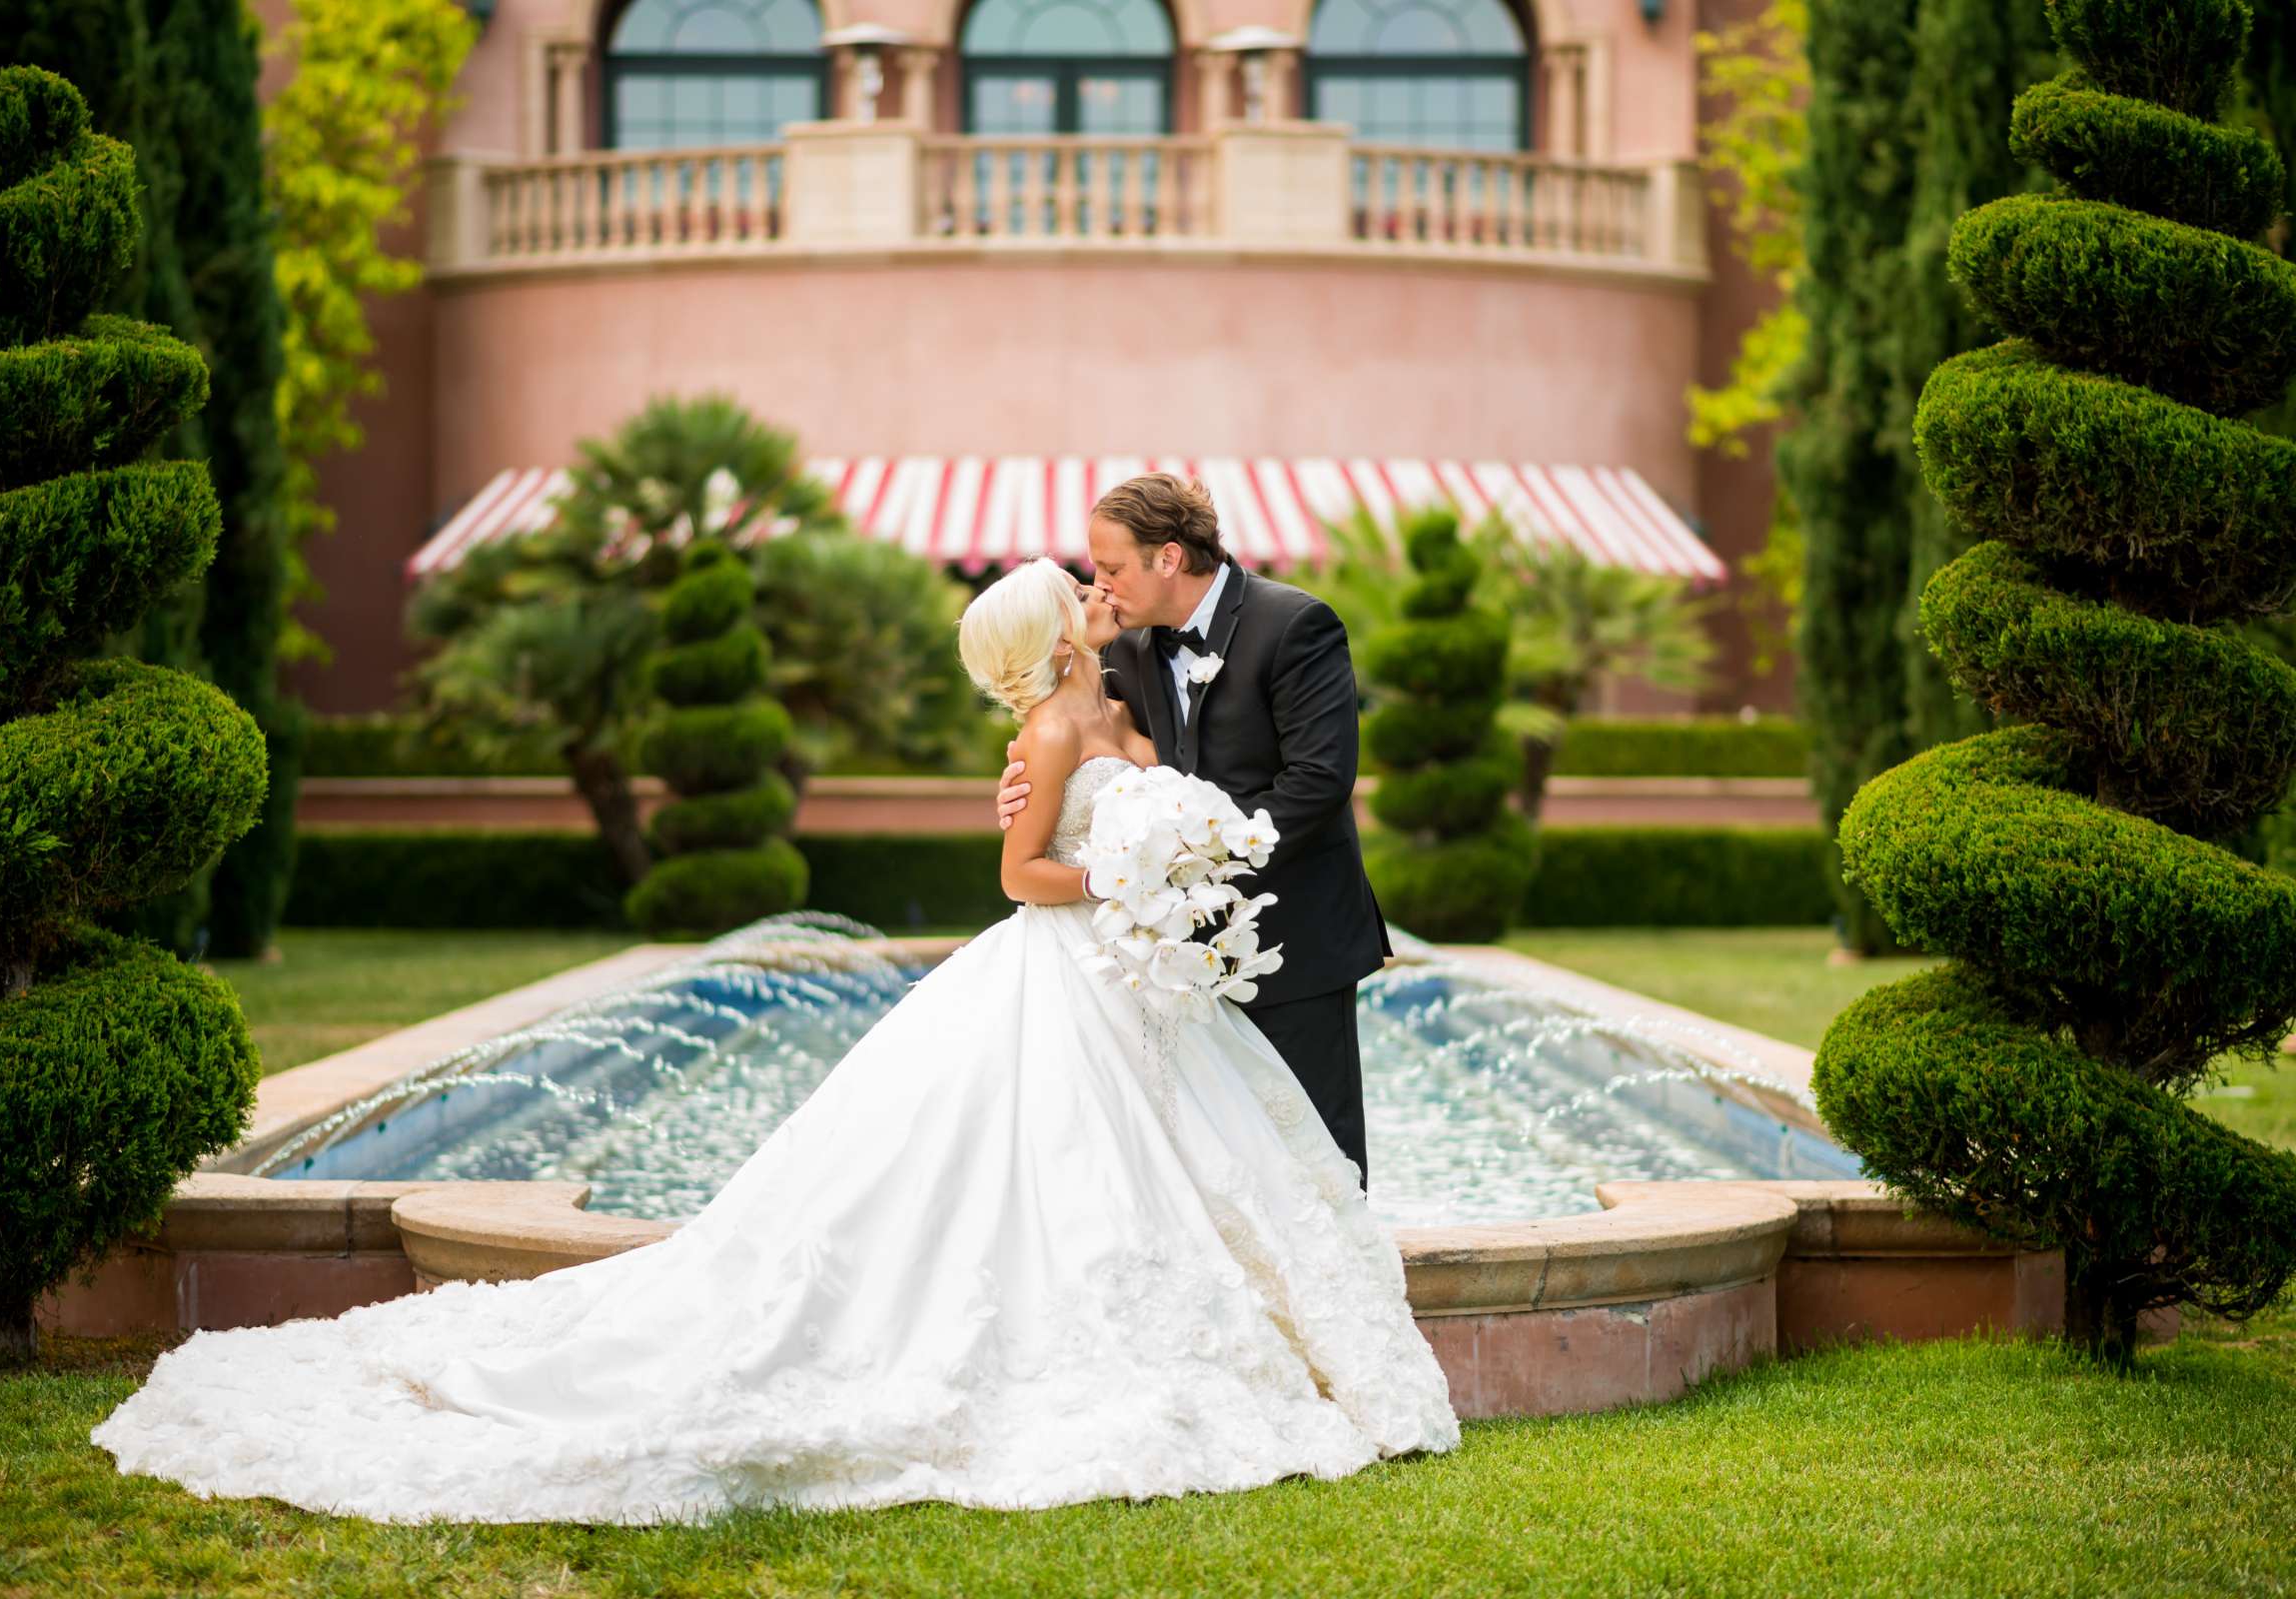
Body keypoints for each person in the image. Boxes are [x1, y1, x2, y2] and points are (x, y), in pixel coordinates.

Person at [89, 557, 1457, 1526]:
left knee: (1184, 1160)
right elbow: (1021, 875)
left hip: (1136, 976)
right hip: (1069, 959)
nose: (1093, 597)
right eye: (1074, 591)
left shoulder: (1122, 700)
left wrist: (1174, 846)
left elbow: (1176, 776)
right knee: (1027, 1162)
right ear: (1052, 640)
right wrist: (1122, 879)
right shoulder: (1051, 727)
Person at [998, 474, 1391, 1187]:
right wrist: (1025, 786)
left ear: (1170, 558)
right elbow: (1090, 750)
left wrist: (1200, 867)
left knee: (1318, 1156)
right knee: (1217, 1166)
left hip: (1295, 935)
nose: (1101, 586)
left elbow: (1318, 781)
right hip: (1173, 955)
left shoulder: (1297, 624)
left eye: (1112, 568)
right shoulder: (1126, 649)